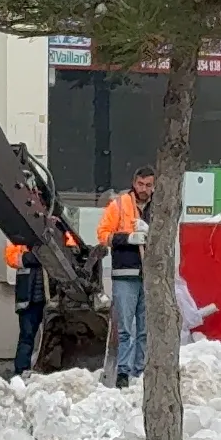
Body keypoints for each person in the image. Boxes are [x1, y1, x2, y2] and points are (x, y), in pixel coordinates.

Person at [96, 166, 155, 388]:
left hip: (149, 276)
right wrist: (128, 238)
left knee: (144, 329)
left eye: (148, 185)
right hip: (124, 275)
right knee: (125, 328)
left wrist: (150, 233)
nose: (144, 189)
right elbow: (103, 235)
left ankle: (140, 371)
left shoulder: (158, 207)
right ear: (134, 182)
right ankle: (123, 372)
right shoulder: (120, 205)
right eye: (141, 184)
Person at [5, 230, 74, 377]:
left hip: (53, 298)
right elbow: (12, 258)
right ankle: (20, 373)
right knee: (27, 336)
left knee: (54, 336)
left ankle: (52, 371)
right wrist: (39, 256)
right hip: (29, 298)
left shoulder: (57, 229)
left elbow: (72, 250)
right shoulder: (19, 233)